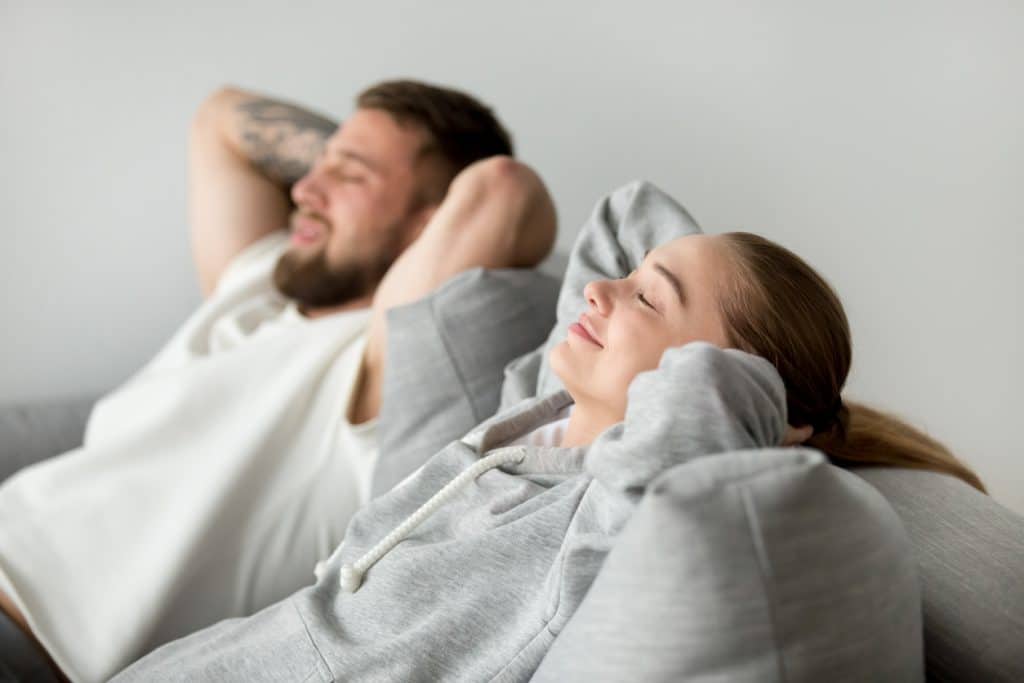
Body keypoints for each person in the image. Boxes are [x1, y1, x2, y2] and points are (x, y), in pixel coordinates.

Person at [114, 181, 983, 682]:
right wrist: (674, 288)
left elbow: (704, 417)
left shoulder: (607, 522)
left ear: (722, 389)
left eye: (646, 297)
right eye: (630, 281)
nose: (601, 290)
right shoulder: (541, 420)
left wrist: (757, 384)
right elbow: (626, 211)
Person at [0, 81, 557, 682]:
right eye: (315, 165)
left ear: (431, 222)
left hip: (28, 639)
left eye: (349, 174)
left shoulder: (378, 361)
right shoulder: (260, 283)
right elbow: (218, 117)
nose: (302, 188)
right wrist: (349, 178)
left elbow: (504, 188)